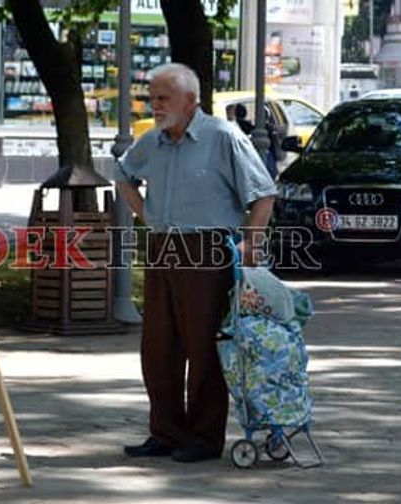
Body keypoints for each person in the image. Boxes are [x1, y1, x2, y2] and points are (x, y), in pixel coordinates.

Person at [116, 63, 277, 463]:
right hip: (162, 248)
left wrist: (250, 246)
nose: (154, 105)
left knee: (203, 346)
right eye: (152, 98)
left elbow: (264, 195)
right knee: (158, 346)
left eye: (163, 98)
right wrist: (145, 216)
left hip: (207, 251)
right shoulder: (153, 141)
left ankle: (204, 438)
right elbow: (122, 176)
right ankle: (166, 432)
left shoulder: (223, 137)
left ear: (190, 101)